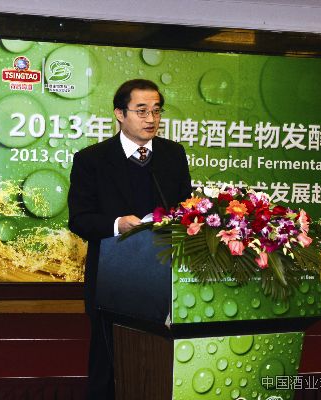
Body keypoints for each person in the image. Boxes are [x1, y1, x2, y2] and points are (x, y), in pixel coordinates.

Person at [67, 79, 192, 399]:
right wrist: (117, 224)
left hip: (165, 277)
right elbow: (79, 219)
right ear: (120, 114)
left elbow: (186, 209)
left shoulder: (173, 155)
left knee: (162, 365)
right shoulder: (92, 160)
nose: (151, 119)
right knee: (109, 365)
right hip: (113, 278)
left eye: (156, 111)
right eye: (142, 111)